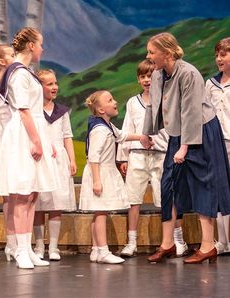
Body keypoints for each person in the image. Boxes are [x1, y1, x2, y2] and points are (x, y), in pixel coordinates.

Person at [140, 32, 230, 264]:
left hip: (200, 133)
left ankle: (208, 246)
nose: (149, 57)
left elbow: (191, 112)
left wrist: (185, 147)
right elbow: (154, 104)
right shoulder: (159, 73)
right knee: (168, 185)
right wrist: (146, 133)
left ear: (167, 53)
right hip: (179, 134)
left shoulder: (189, 73)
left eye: (152, 52)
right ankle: (167, 244)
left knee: (203, 185)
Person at [0, 27, 59, 269]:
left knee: (32, 194)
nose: (42, 49)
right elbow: (23, 110)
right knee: (21, 195)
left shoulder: (27, 73)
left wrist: (46, 140)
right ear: (31, 45)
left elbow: (35, 111)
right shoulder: (18, 73)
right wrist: (35, 140)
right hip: (23, 133)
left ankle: (28, 248)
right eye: (40, 44)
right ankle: (20, 250)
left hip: (34, 129)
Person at [117, 59, 188, 257]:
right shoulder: (133, 102)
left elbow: (176, 127)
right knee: (133, 199)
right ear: (139, 79)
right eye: (143, 76)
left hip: (162, 155)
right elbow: (127, 129)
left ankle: (177, 239)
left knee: (168, 198)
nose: (147, 80)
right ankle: (131, 242)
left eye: (150, 76)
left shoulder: (166, 100)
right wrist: (123, 157)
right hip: (138, 155)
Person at [79, 90, 152, 264]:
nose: (115, 102)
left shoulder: (107, 126)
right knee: (101, 212)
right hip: (101, 173)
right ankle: (103, 251)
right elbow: (93, 157)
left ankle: (96, 250)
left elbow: (122, 136)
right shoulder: (100, 130)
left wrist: (140, 137)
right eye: (110, 100)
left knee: (99, 212)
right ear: (101, 110)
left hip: (104, 172)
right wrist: (97, 180)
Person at [33, 69, 77, 261]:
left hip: (59, 159)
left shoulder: (61, 112)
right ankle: (38, 245)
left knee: (56, 204)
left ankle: (53, 246)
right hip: (41, 159)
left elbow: (67, 136)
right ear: (39, 87)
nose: (54, 87)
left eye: (55, 83)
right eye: (49, 84)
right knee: (39, 204)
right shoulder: (33, 111)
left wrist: (72, 159)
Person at [205, 37, 230, 255]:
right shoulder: (210, 84)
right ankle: (222, 241)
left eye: (223, 54)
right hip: (217, 143)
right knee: (221, 192)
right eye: (217, 55)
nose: (219, 59)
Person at [0, 44, 15, 263]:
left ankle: (13, 243)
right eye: (11, 55)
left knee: (12, 193)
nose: (14, 57)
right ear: (1, 61)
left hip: (10, 140)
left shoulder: (11, 85)